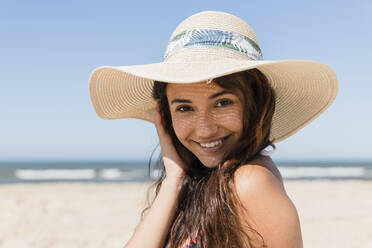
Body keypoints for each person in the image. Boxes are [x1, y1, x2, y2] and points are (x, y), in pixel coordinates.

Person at [88, 10, 338, 248]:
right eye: (185, 108)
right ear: (165, 116)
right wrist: (174, 178)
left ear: (254, 104)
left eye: (222, 103)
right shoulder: (202, 181)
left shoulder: (250, 183)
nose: (205, 130)